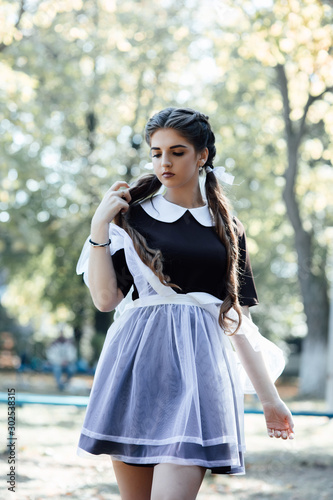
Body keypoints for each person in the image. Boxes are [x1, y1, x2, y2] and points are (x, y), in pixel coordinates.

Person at [76, 107, 294, 500]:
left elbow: (236, 321)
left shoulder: (227, 228)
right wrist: (98, 230)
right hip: (136, 367)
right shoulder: (132, 218)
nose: (164, 162)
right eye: (157, 153)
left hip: (200, 374)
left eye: (177, 151)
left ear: (202, 155)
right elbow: (106, 300)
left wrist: (270, 400)